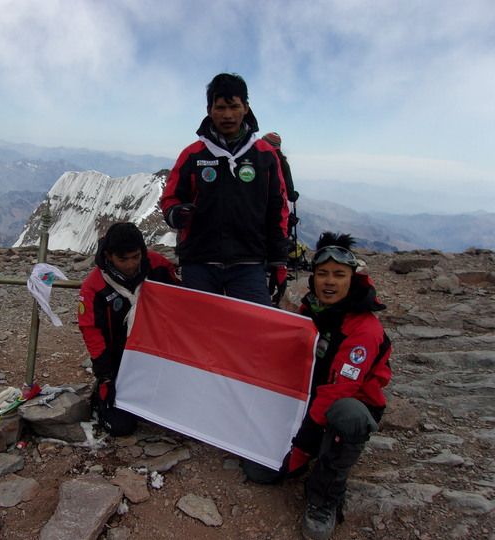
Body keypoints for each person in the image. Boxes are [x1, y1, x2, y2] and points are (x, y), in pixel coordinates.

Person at [242, 232, 392, 540]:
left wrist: (299, 448)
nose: (329, 282)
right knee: (259, 472)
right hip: (309, 398)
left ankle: (325, 495)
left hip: (342, 408)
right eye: (322, 274)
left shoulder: (364, 329)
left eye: (339, 275)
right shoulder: (311, 311)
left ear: (354, 278)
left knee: (348, 414)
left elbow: (339, 391)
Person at [160, 73, 289, 305]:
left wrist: (279, 261)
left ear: (246, 108)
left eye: (234, 106)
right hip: (199, 261)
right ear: (209, 110)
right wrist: (176, 213)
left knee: (253, 329)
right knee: (199, 331)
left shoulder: (264, 155)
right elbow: (170, 198)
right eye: (220, 107)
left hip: (248, 262)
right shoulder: (192, 155)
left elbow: (277, 209)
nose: (227, 115)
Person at [77, 222, 178, 436]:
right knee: (121, 427)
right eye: (123, 260)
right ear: (109, 256)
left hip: (156, 353)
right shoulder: (94, 286)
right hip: (118, 361)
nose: (131, 265)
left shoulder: (157, 266)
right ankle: (102, 397)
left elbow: (180, 300)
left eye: (136, 257)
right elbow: (91, 330)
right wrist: (106, 374)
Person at [262, 131, 300, 306]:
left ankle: (260, 289)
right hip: (278, 215)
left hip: (258, 213)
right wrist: (294, 195)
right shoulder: (282, 163)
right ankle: (278, 294)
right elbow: (290, 194)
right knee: (279, 250)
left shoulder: (258, 159)